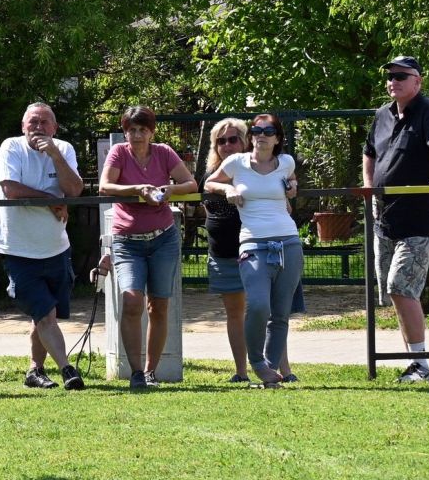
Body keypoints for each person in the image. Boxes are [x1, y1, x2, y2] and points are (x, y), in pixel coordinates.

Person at [363, 56, 429, 383]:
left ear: (418, 81)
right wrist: (368, 186)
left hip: (422, 217)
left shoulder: (428, 110)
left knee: (399, 284)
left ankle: (422, 366)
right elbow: (370, 154)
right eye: (390, 76)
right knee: (395, 292)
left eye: (402, 76)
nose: (394, 81)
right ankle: (415, 364)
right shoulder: (382, 115)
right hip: (386, 218)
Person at [96, 106, 197, 390]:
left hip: (163, 238)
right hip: (128, 241)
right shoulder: (118, 153)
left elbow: (191, 182)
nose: (137, 135)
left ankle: (151, 372)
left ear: (152, 131)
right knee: (131, 301)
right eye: (131, 129)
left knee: (159, 305)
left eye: (142, 129)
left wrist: (168, 190)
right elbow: (105, 186)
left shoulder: (164, 152)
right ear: (125, 131)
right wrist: (137, 189)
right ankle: (136, 373)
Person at [0, 101, 85, 391]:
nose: (38, 128)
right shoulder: (11, 147)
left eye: (45, 122)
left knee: (45, 313)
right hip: (19, 249)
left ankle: (35, 371)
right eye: (32, 122)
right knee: (44, 313)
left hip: (56, 247)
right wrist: (51, 201)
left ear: (54, 128)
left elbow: (74, 190)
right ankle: (68, 370)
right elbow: (10, 190)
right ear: (23, 127)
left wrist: (55, 155)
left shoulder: (64, 149)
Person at [207, 115, 303, 388]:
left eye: (268, 130)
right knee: (258, 305)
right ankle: (257, 363)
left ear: (277, 138)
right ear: (251, 137)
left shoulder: (286, 162)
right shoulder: (237, 163)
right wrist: (228, 188)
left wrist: (292, 187)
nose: (261, 134)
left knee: (281, 312)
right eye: (257, 130)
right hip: (253, 243)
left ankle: (272, 372)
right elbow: (209, 183)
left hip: (289, 242)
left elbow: (291, 180)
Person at [199, 119, 253, 383]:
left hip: (256, 251)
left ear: (245, 141)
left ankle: (280, 369)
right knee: (235, 313)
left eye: (233, 139)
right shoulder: (209, 176)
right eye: (221, 141)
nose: (227, 145)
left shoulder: (259, 170)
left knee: (265, 309)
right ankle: (241, 372)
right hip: (222, 254)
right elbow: (208, 208)